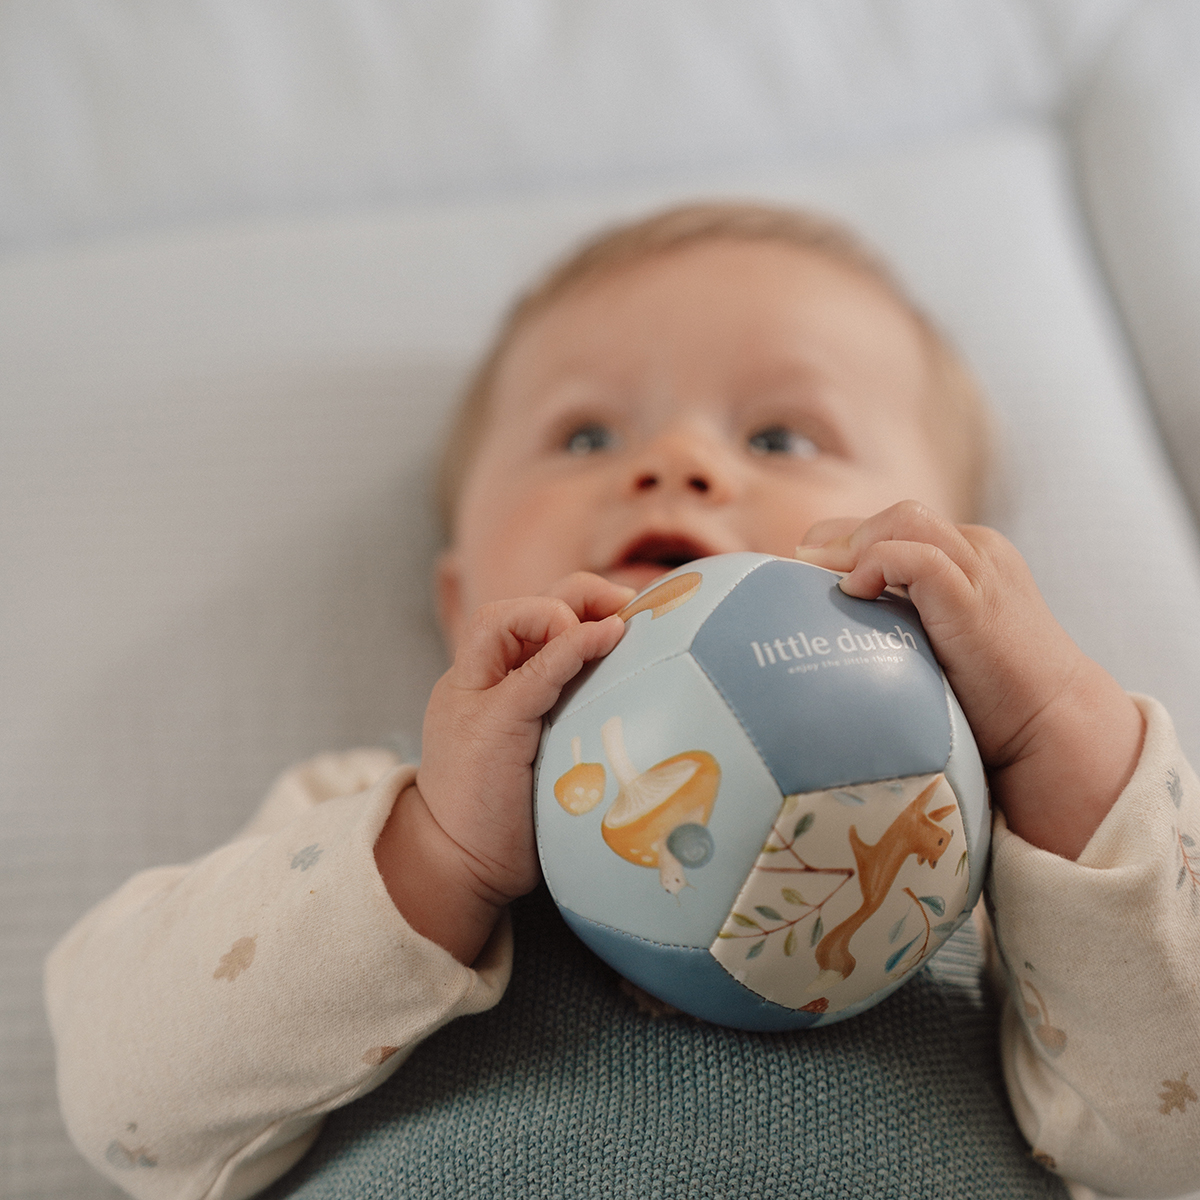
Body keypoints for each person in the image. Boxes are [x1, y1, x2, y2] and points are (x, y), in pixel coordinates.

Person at [46, 204, 1200, 1200]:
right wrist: (433, 857)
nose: (682, 460)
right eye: (585, 435)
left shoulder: (1002, 864)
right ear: (460, 602)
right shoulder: (362, 814)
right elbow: (120, 1097)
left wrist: (1060, 737)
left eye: (781, 435)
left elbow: (1174, 1141)